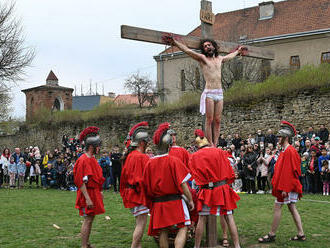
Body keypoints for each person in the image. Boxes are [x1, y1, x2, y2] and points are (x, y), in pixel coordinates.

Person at [163, 35, 246, 146]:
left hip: (220, 93)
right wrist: (175, 42)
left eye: (209, 45)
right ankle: (210, 143)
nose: (207, 47)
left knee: (218, 120)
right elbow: (188, 50)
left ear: (213, 47)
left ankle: (215, 143)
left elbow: (230, 56)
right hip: (209, 93)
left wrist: (238, 51)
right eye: (205, 46)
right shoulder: (203, 58)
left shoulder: (220, 59)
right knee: (209, 119)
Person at [143, 122, 194, 248]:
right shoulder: (174, 161)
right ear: (169, 145)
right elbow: (183, 185)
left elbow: (146, 186)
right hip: (175, 201)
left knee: (163, 231)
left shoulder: (149, 163)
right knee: (183, 227)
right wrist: (191, 200)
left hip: (159, 203)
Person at [189, 129, 241, 248]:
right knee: (229, 217)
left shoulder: (195, 156)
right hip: (222, 189)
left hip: (207, 190)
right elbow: (230, 172)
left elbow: (194, 175)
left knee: (202, 218)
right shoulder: (220, 152)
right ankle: (237, 246)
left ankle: (196, 247)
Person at [258, 121, 305, 243]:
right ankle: (301, 234)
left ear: (286, 137)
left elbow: (290, 171)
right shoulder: (285, 150)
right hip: (286, 185)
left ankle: (272, 234)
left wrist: (285, 188)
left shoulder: (290, 151)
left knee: (278, 207)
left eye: (280, 137)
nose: (278, 139)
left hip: (287, 186)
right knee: (292, 207)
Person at [120, 122, 150, 248]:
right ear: (142, 142)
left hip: (131, 193)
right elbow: (143, 180)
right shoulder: (141, 157)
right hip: (138, 194)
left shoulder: (130, 156)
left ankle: (138, 246)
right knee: (141, 223)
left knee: (139, 221)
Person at [74, 126, 105, 248]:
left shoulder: (92, 159)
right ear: (92, 146)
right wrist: (87, 198)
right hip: (86, 194)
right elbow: (80, 181)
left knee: (91, 219)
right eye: (98, 146)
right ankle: (83, 246)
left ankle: (86, 243)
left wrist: (100, 192)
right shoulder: (83, 160)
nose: (99, 148)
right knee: (87, 219)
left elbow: (96, 179)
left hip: (93, 193)